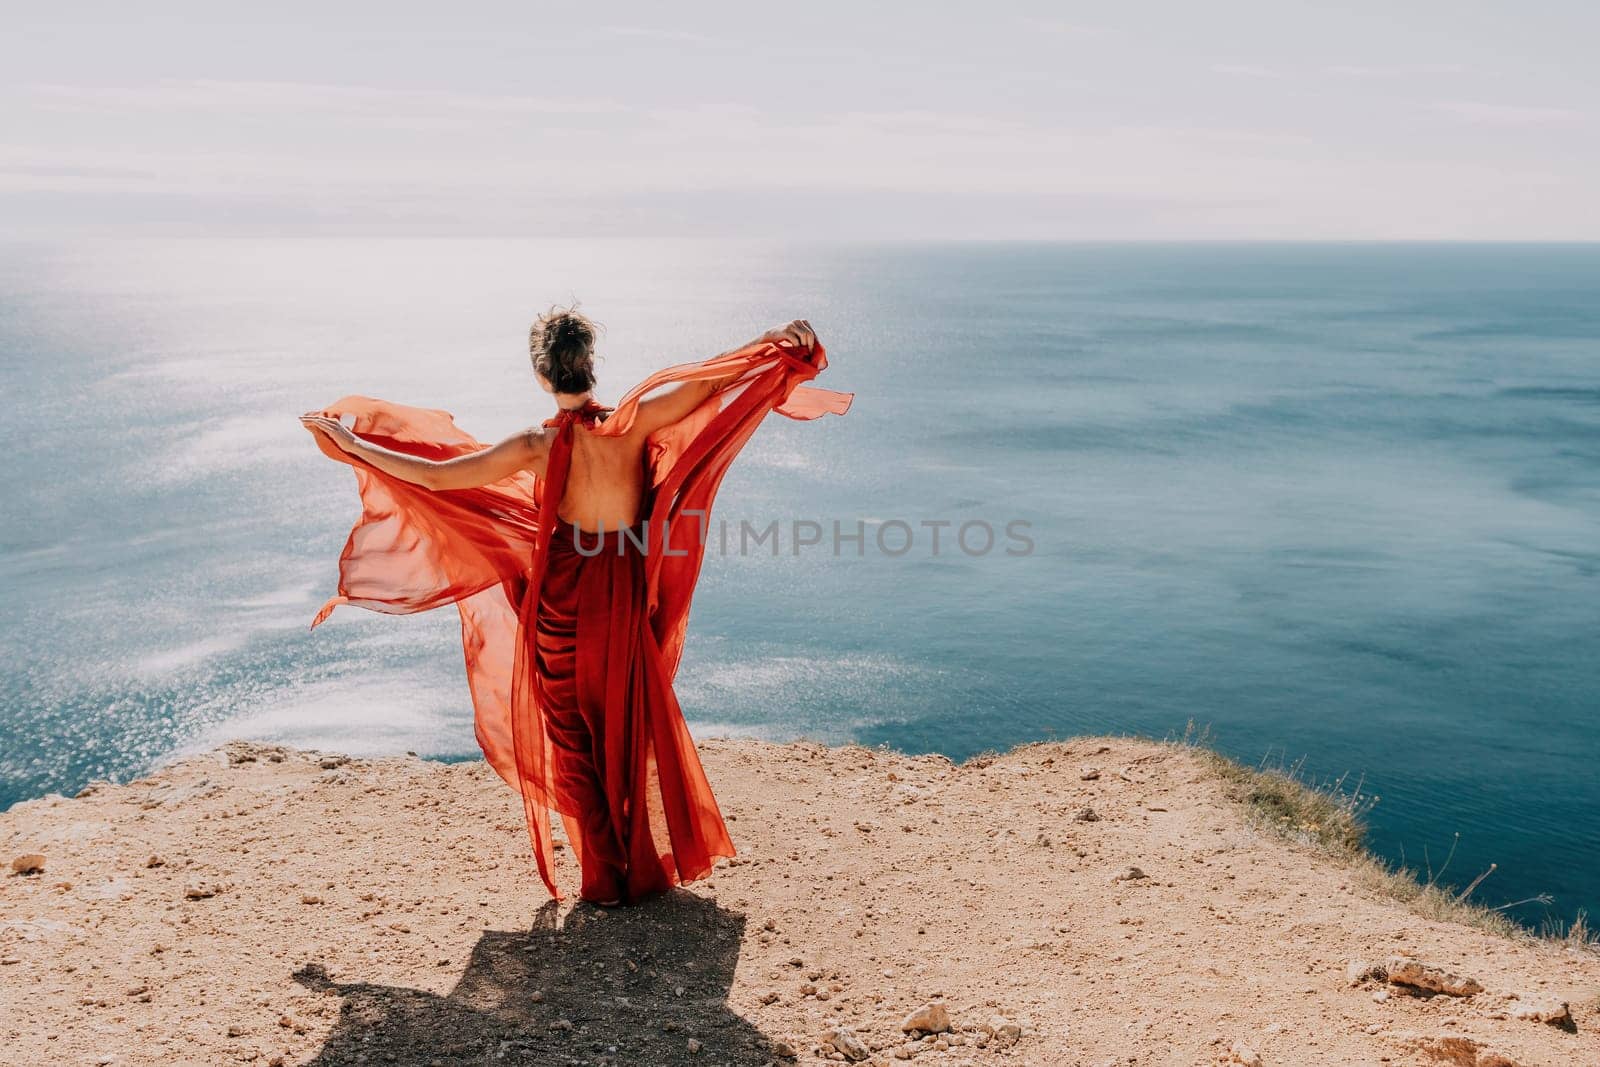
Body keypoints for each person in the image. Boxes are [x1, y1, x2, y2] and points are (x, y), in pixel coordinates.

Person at [299, 308, 850, 904]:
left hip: (560, 595)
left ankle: (605, 875)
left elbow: (436, 480)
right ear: (590, 365)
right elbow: (709, 383)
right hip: (619, 588)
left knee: (571, 733)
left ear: (542, 376)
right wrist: (767, 344)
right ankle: (629, 863)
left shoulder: (535, 446)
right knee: (621, 717)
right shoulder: (634, 423)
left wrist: (354, 445)